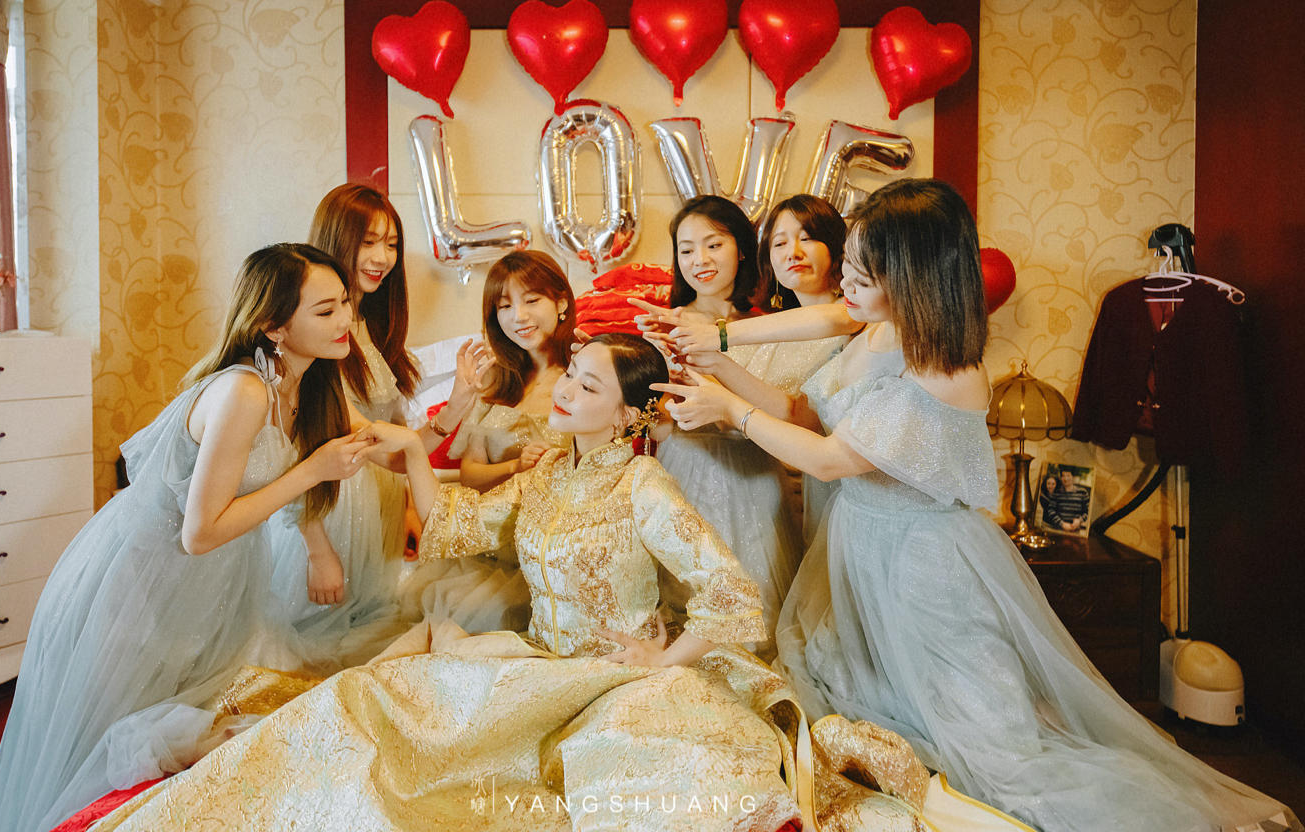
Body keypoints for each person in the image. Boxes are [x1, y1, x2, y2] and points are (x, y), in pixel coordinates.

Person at [85, 335, 948, 832]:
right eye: (569, 374)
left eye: (587, 384)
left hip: (615, 677)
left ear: (630, 413)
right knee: (368, 707)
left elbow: (732, 596)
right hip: (537, 660)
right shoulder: (545, 472)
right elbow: (458, 527)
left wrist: (663, 661)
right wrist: (415, 451)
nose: (564, 389)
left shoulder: (643, 484)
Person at [654, 179, 1300, 832]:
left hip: (922, 567)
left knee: (996, 758)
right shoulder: (875, 327)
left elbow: (828, 460)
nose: (842, 282)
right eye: (848, 264)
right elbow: (805, 406)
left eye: (860, 272)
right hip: (860, 545)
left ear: (910, 279)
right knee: (885, 709)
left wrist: (730, 408)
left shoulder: (944, 369)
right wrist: (722, 350)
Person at [0, 244, 374, 832]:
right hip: (143, 583)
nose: (345, 320)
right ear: (274, 326)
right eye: (325, 310)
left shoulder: (304, 383)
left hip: (210, 581)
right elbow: (200, 532)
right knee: (110, 745)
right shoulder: (244, 392)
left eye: (344, 303)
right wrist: (313, 471)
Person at [265, 183, 490, 663]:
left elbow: (394, 449)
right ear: (336, 238)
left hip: (376, 511)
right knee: (313, 649)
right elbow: (288, 452)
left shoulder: (367, 327)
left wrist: (455, 406)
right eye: (368, 241)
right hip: (326, 510)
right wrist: (316, 548)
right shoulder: (313, 330)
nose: (382, 257)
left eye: (391, 244)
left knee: (358, 642)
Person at [639, 195, 845, 656]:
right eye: (686, 249)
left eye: (714, 244)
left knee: (752, 615)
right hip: (686, 468)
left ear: (744, 251)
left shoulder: (774, 325)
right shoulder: (671, 325)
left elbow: (792, 415)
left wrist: (717, 364)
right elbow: (656, 420)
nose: (700, 259)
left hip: (760, 475)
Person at [450, 249, 575, 492]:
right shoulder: (492, 378)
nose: (519, 316)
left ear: (561, 302)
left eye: (532, 301)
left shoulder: (585, 375)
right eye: (505, 306)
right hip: (494, 510)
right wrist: (515, 466)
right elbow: (470, 475)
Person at [1042, 468, 1089, 532]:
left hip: (1076, 530)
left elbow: (1087, 511)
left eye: (1068, 475)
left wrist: (1079, 520)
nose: (1065, 478)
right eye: (1063, 476)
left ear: (1073, 477)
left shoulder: (1083, 492)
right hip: (1058, 530)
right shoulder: (1056, 492)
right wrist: (1062, 524)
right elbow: (1051, 510)